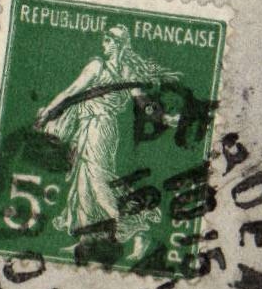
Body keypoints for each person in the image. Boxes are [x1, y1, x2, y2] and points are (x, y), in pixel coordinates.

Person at [34, 24, 167, 239]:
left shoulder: (105, 68)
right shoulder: (115, 69)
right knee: (84, 177)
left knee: (96, 177)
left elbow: (71, 92)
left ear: (118, 45)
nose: (103, 44)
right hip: (96, 127)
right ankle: (88, 228)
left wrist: (47, 112)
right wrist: (49, 111)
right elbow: (73, 92)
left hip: (99, 128)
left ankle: (122, 219)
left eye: (108, 40)